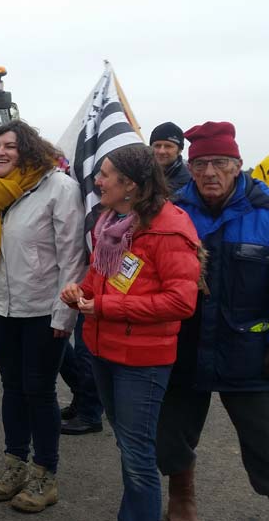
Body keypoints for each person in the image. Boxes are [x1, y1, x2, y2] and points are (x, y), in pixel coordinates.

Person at [61, 144, 201, 520]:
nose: (97, 180)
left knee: (138, 453)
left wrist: (106, 306)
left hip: (143, 360)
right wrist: (80, 293)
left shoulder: (169, 230)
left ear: (131, 185)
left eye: (105, 174)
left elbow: (180, 303)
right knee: (128, 443)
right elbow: (100, 277)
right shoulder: (112, 224)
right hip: (104, 350)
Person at [0, 120, 85, 513]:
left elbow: (71, 258)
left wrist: (62, 317)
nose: (0, 151)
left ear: (28, 150)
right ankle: (15, 465)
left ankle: (45, 475)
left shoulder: (59, 188)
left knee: (39, 390)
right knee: (12, 389)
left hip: (42, 310)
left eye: (10, 146)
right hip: (0, 310)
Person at [157, 121, 269, 520]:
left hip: (251, 354)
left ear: (238, 166)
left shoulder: (265, 212)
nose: (209, 173)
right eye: (200, 163)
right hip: (183, 350)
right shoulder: (169, 211)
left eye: (220, 163)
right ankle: (181, 497)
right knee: (170, 438)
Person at [149, 122, 191, 194]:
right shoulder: (139, 174)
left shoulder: (188, 184)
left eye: (168, 146)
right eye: (157, 146)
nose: (161, 151)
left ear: (179, 151)